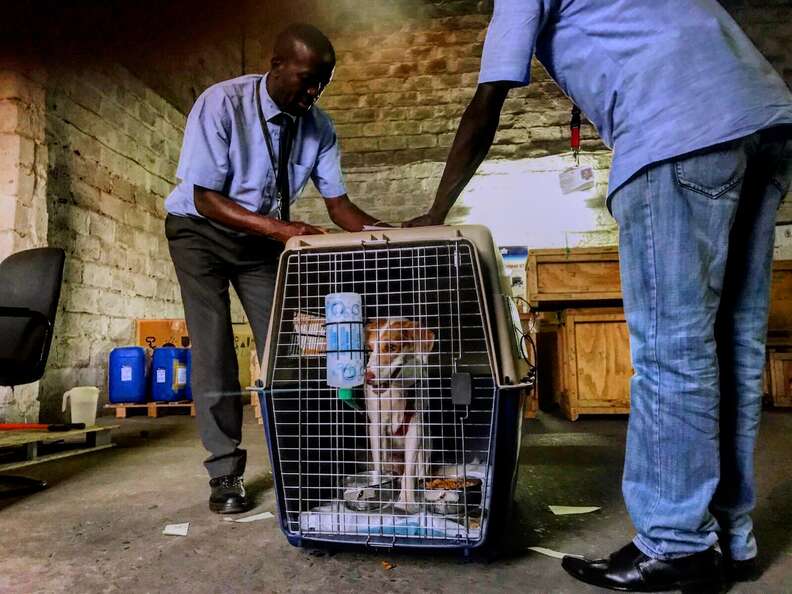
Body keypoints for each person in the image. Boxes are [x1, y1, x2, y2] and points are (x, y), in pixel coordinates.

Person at [405, 1, 792, 591]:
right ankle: (730, 538)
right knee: (732, 346)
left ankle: (676, 545)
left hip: (677, 131)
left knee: (672, 350)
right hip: (763, 119)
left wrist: (436, 211)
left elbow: (488, 100)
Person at [165, 23, 382, 514]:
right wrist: (282, 231)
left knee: (286, 348)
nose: (313, 92)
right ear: (276, 65)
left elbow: (339, 206)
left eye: (323, 82)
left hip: (261, 239)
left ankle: (305, 461)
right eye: (306, 79)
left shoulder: (319, 126)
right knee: (215, 346)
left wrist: (386, 229)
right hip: (199, 230)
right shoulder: (221, 104)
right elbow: (205, 198)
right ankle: (224, 473)